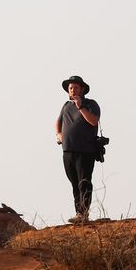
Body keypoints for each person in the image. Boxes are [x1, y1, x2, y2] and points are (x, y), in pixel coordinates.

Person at [54, 75, 101, 222]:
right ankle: (78, 214)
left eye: (76, 88)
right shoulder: (66, 106)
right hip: (68, 150)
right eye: (71, 88)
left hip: (86, 150)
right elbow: (58, 121)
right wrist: (59, 134)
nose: (73, 90)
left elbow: (93, 121)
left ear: (82, 90)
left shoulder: (90, 104)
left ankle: (83, 214)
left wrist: (80, 106)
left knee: (84, 182)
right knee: (74, 183)